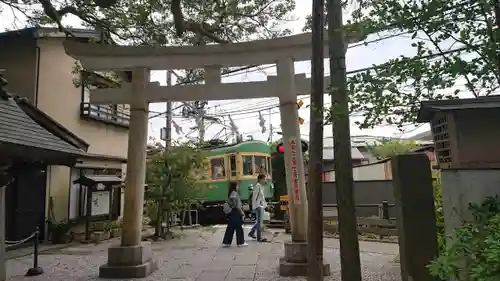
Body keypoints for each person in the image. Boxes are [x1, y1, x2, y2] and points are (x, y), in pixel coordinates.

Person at [222, 181, 248, 247]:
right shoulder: (234, 193)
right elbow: (236, 205)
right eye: (237, 186)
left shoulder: (231, 193)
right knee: (239, 227)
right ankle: (240, 242)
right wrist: (242, 212)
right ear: (235, 186)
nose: (238, 187)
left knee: (231, 227)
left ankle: (227, 242)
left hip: (233, 212)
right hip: (235, 212)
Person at [248, 174, 267, 242]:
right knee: (259, 222)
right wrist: (256, 206)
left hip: (260, 206)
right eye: (264, 179)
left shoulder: (260, 187)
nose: (265, 180)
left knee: (259, 222)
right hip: (258, 206)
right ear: (260, 179)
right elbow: (254, 197)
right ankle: (259, 237)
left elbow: (261, 198)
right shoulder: (257, 186)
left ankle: (251, 233)